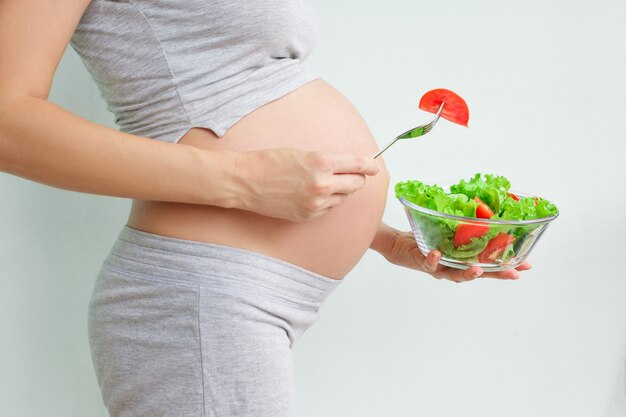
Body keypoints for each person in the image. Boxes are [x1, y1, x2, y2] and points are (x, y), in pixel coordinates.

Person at [0, 1, 530, 416]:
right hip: (197, 300)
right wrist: (243, 180)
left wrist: (381, 236)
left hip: (238, 298)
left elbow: (229, 97)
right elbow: (7, 120)